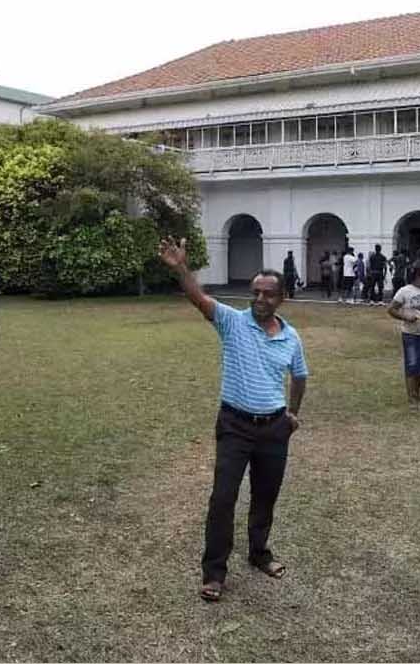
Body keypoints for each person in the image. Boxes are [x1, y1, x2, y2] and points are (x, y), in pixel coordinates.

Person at [157, 237, 307, 603]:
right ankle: (214, 573)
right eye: (255, 292)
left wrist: (292, 414)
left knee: (265, 496)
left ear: (281, 299)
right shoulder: (232, 322)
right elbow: (199, 299)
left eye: (268, 294)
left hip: (274, 428)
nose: (259, 299)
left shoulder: (291, 337)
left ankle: (259, 555)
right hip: (235, 425)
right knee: (223, 498)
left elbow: (300, 377)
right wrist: (181, 269)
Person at [387, 262, 420, 407]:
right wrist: (406, 317)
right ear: (419, 275)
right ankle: (411, 398)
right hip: (410, 334)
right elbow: (391, 309)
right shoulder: (405, 291)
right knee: (412, 364)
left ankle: (417, 394)